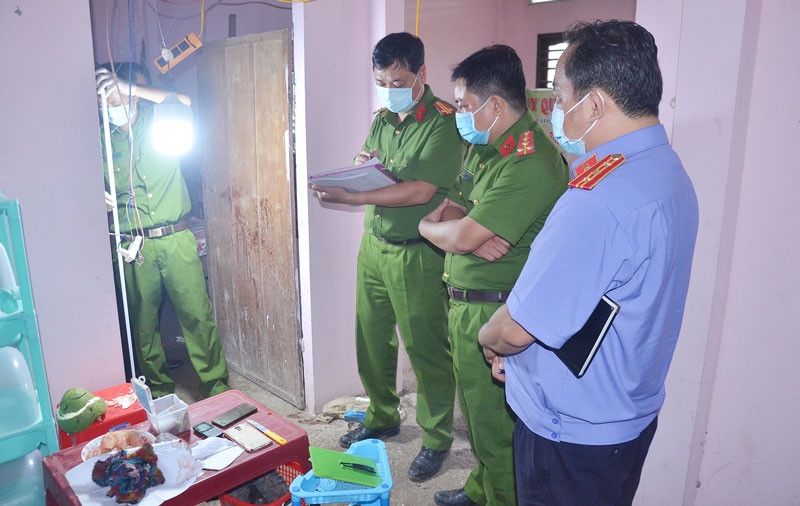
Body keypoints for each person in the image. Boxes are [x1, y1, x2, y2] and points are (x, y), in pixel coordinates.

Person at [478, 20, 699, 506]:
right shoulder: (668, 173)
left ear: (594, 104)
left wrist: (487, 340)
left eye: (560, 98)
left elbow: (516, 329)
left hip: (570, 437)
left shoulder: (598, 198)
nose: (557, 113)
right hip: (628, 416)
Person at [310, 33, 464, 482]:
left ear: (421, 74)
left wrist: (352, 196)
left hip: (417, 255)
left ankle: (435, 438)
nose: (389, 88)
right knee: (371, 337)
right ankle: (381, 415)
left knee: (425, 348)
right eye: (381, 80)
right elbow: (369, 154)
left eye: (397, 80)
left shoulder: (444, 123)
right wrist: (358, 163)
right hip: (374, 247)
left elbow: (420, 190)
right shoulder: (383, 118)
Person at [418, 45, 569, 506]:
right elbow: (453, 212)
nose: (459, 115)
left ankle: (499, 495)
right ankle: (480, 490)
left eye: (464, 106)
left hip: (496, 312)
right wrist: (457, 229)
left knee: (499, 433)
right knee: (479, 420)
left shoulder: (531, 161)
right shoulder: (486, 148)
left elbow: (459, 230)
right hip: (466, 302)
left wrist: (448, 231)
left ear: (495, 105)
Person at [97, 63, 230, 399]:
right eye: (107, 103)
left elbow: (184, 103)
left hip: (176, 239)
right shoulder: (100, 139)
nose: (115, 109)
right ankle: (158, 391)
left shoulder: (160, 122)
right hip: (135, 246)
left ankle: (217, 387)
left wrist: (131, 87)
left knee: (197, 317)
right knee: (143, 326)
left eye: (119, 99)